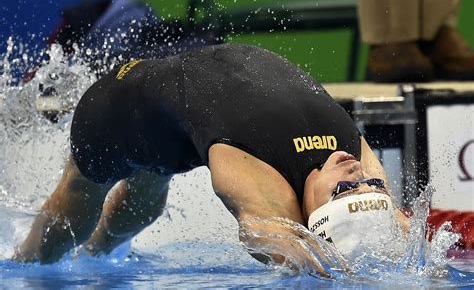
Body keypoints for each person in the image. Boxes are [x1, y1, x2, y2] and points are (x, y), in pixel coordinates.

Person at [13, 44, 409, 276]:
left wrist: (324, 270)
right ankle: (23, 261)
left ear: (310, 219)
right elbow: (399, 226)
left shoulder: (265, 192)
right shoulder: (353, 160)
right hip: (116, 108)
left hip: (175, 116)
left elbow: (261, 234)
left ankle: (56, 265)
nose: (356, 171)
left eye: (344, 189)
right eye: (372, 185)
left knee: (137, 207)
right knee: (73, 217)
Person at [357, 0, 474, 82]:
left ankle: (436, 28)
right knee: (393, 18)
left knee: (440, 10)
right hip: (391, 33)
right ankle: (391, 32)